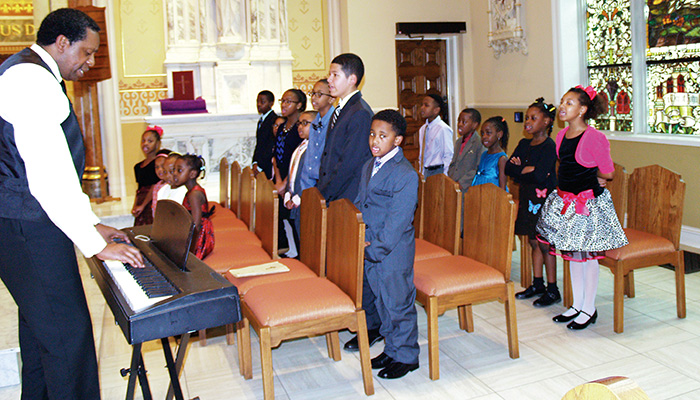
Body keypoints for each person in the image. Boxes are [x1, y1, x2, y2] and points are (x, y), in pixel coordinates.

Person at [0, 8, 143, 398]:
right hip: (28, 225)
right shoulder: (30, 79)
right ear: (62, 43)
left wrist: (91, 223)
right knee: (69, 339)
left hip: (23, 223)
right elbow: (47, 176)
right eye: (87, 52)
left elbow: (56, 173)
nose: (90, 62)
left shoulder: (31, 71)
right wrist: (97, 244)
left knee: (41, 335)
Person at [537, 85, 628, 330]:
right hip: (566, 202)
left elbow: (608, 171)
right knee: (574, 256)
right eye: (563, 102)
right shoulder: (560, 136)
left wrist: (596, 177)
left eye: (570, 103)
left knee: (587, 257)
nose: (563, 107)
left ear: (582, 110)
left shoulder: (594, 137)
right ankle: (577, 304)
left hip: (587, 205)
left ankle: (589, 308)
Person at [354, 110, 419, 379]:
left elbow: (398, 222)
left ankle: (407, 356)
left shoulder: (405, 174)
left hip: (391, 252)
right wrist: (358, 237)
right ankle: (392, 348)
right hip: (370, 246)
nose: (374, 140)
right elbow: (360, 202)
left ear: (398, 140)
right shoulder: (369, 165)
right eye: (372, 134)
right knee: (382, 301)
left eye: (383, 136)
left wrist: (373, 249)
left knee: (398, 303)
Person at [505, 98, 559, 306]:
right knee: (533, 241)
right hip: (529, 198)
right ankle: (538, 283)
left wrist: (523, 171)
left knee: (546, 245)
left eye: (533, 118)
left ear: (546, 122)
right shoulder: (524, 144)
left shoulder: (549, 146)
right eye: (527, 117)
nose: (528, 121)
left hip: (545, 200)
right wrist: (523, 170)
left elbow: (540, 176)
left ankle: (553, 288)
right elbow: (509, 169)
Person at [317, 53, 372, 203]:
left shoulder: (360, 112)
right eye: (330, 75)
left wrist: (327, 193)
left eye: (335, 75)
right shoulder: (340, 109)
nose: (329, 80)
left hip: (347, 195)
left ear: (352, 79)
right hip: (332, 193)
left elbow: (349, 163)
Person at [271, 89, 305, 250]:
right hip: (281, 178)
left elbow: (297, 159)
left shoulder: (300, 129)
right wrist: (278, 180)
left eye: (288, 101)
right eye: (282, 101)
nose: (284, 105)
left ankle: (299, 251)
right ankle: (288, 249)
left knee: (294, 217)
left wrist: (286, 183)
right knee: (279, 215)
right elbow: (277, 156)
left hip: (293, 180)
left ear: (299, 105)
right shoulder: (283, 125)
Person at [283, 110, 316, 257]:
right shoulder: (301, 146)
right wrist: (288, 194)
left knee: (307, 241)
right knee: (298, 237)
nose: (300, 127)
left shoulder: (316, 149)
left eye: (305, 123)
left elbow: (313, 178)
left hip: (306, 200)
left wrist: (300, 196)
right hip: (295, 198)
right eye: (299, 123)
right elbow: (293, 173)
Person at [172, 154, 215, 260]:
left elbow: (196, 224)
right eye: (174, 170)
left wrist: (189, 243)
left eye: (179, 170)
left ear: (192, 174)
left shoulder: (194, 194)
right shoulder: (191, 191)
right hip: (197, 232)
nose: (174, 174)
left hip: (201, 237)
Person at [300, 79, 335, 189]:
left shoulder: (335, 122)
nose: (314, 98)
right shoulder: (315, 122)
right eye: (313, 93)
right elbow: (310, 158)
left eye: (319, 94)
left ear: (331, 98)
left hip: (327, 184)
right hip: (312, 184)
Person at [132, 126, 162, 225]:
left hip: (151, 201)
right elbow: (139, 188)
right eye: (143, 141)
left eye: (150, 141)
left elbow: (154, 186)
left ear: (157, 144)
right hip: (142, 202)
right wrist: (135, 205)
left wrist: (143, 205)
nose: (145, 144)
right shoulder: (137, 166)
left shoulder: (157, 164)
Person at [447, 108, 483, 191]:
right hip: (454, 185)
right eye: (458, 121)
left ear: (474, 125)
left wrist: (462, 183)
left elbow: (478, 168)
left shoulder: (479, 143)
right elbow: (453, 163)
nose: (460, 124)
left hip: (468, 187)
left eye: (464, 122)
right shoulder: (458, 142)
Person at [418, 94, 453, 177]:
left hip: (437, 170)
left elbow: (448, 154)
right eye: (422, 105)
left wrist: (445, 175)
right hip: (426, 170)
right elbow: (422, 153)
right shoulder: (423, 129)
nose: (422, 108)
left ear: (436, 110)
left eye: (426, 105)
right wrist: (421, 171)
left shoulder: (443, 129)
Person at [471, 116, 509, 190]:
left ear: (499, 134)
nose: (484, 136)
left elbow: (502, 188)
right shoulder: (484, 154)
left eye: (488, 133)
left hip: (493, 195)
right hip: (480, 192)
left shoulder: (501, 159)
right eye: (482, 134)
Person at [252, 90, 277, 177]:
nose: (259, 104)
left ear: (271, 103)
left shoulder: (274, 120)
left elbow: (270, 146)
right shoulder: (261, 120)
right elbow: (259, 144)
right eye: (257, 101)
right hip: (260, 164)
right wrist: (255, 162)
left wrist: (260, 166)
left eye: (262, 102)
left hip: (267, 166)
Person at [151, 148, 172, 218]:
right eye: (157, 167)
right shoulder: (157, 186)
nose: (159, 170)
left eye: (162, 166)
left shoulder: (171, 185)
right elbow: (155, 206)